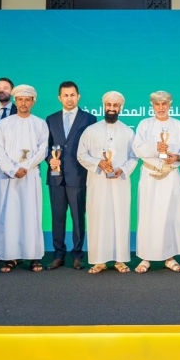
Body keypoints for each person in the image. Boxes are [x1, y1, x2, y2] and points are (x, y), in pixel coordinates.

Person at [131, 91, 180, 273]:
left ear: (169, 105)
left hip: (171, 175)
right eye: (157, 104)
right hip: (150, 176)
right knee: (148, 215)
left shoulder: (179, 125)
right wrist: (156, 149)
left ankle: (169, 257)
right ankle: (145, 257)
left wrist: (176, 157)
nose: (161, 108)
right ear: (152, 106)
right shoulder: (144, 125)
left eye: (164, 104)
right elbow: (137, 148)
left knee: (169, 215)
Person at [78, 91, 139, 274]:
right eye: (109, 105)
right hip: (98, 183)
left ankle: (120, 260)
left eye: (115, 106)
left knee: (120, 218)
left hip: (120, 183)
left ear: (121, 108)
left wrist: (123, 169)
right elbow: (81, 155)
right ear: (104, 106)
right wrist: (98, 163)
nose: (111, 109)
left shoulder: (128, 132)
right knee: (98, 218)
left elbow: (134, 156)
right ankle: (99, 261)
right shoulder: (91, 130)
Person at [0, 84, 49, 273]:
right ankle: (10, 257)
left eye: (27, 99)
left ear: (33, 101)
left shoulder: (40, 123)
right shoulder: (4, 124)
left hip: (30, 175)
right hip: (8, 176)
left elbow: (43, 149)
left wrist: (25, 166)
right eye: (20, 99)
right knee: (9, 216)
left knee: (31, 215)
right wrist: (12, 168)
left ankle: (33, 256)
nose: (23, 103)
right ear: (15, 101)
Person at [45, 81, 96, 269]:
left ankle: (77, 255)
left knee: (78, 217)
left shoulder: (89, 119)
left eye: (72, 95)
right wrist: (50, 160)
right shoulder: (50, 119)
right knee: (57, 217)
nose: (69, 98)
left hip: (78, 176)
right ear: (59, 97)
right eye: (65, 95)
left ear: (78, 96)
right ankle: (58, 255)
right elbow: (46, 147)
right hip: (56, 177)